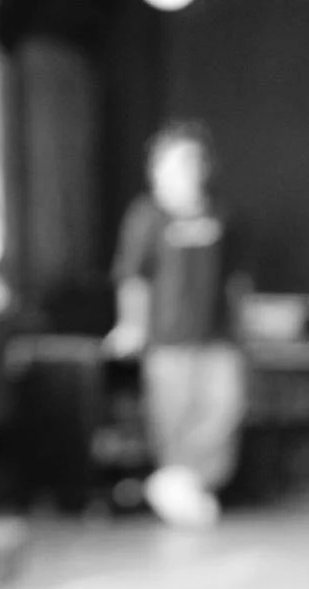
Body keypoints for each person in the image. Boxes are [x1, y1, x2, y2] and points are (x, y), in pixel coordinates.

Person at [105, 122, 249, 527]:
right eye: (175, 160)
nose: (186, 168)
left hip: (218, 336)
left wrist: (243, 324)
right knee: (174, 416)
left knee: (223, 408)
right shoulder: (146, 216)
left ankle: (189, 483)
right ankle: (178, 482)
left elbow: (236, 278)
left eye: (193, 160)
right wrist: (130, 325)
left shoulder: (223, 213)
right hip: (167, 339)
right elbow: (133, 276)